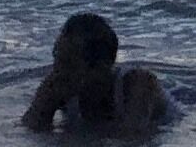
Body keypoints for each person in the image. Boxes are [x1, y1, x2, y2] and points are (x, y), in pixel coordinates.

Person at [19, 12, 171, 133]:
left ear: (102, 66)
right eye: (57, 59)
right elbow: (31, 130)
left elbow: (133, 136)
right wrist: (45, 103)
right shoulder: (57, 85)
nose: (58, 72)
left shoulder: (137, 83)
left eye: (69, 64)